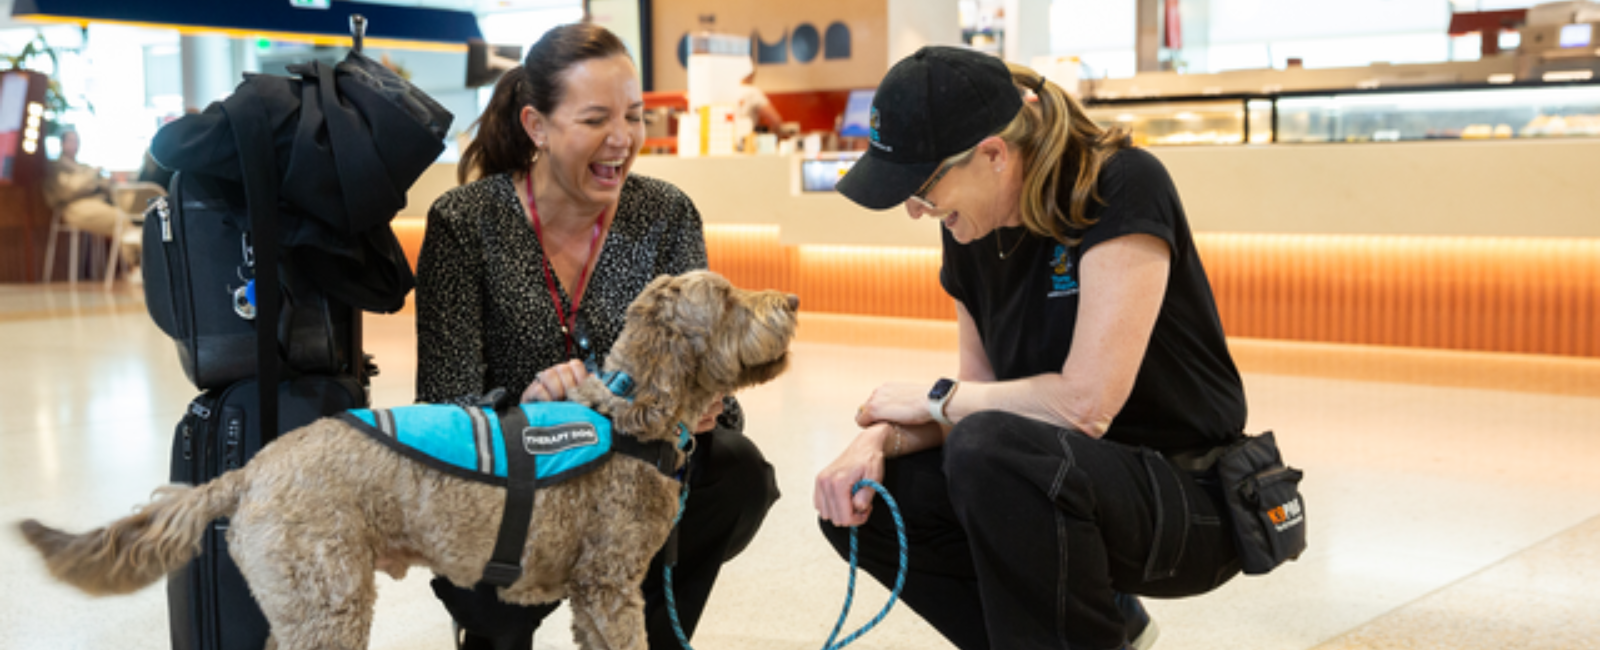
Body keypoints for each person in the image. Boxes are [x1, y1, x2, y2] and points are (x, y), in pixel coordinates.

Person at [812, 46, 1246, 650]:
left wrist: (934, 397)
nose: (916, 212)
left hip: (1187, 496)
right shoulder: (969, 230)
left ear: (992, 155)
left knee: (987, 449)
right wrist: (875, 441)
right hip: (1065, 487)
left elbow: (1082, 407)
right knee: (869, 506)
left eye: (923, 190)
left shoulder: (1120, 185)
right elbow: (975, 401)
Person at [415, 23, 780, 650]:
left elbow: (723, 405)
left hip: (634, 482)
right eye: (594, 120)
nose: (623, 140)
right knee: (494, 611)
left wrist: (699, 406)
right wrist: (524, 411)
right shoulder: (466, 224)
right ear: (537, 125)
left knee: (738, 471)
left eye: (634, 117)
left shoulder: (665, 215)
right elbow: (443, 413)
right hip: (517, 483)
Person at [42, 130, 140, 269]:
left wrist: (109, 180)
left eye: (77, 141)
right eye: (71, 141)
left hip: (97, 202)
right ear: (62, 144)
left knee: (132, 203)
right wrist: (92, 176)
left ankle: (142, 260)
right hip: (73, 206)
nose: (75, 145)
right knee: (120, 219)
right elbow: (69, 190)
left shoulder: (84, 167)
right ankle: (137, 265)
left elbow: (100, 185)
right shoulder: (56, 167)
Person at [736, 68, 783, 134]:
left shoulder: (725, 91)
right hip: (747, 140)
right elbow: (776, 120)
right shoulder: (752, 91)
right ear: (750, 74)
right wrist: (770, 140)